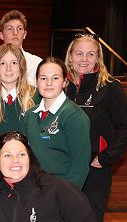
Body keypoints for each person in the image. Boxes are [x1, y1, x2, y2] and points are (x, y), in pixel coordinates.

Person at [65, 33, 127, 222]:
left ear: (98, 58)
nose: (84, 59)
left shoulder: (110, 87)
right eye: (79, 53)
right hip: (66, 168)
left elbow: (126, 126)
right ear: (70, 56)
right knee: (64, 220)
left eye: (90, 54)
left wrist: (105, 158)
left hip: (95, 168)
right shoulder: (60, 84)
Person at [23, 57, 90, 190]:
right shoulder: (30, 115)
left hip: (61, 190)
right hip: (34, 188)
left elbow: (80, 164)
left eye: (55, 78)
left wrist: (68, 195)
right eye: (43, 78)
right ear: (36, 81)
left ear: (64, 82)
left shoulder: (73, 115)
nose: (49, 83)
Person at [0, 9, 42, 86]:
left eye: (19, 28)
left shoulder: (37, 64)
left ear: (24, 34)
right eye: (10, 29)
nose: (15, 33)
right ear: (1, 35)